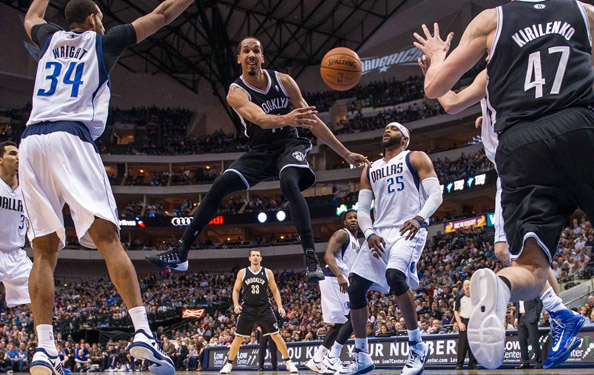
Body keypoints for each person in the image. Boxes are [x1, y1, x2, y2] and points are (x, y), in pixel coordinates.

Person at [415, 0, 594, 369]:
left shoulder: (491, 27)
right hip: (578, 125)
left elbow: (441, 92)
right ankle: (560, 314)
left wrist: (439, 57)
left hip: (518, 150)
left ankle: (502, 289)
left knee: (528, 266)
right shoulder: (586, 13)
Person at [20, 0, 197, 374]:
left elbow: (32, 17)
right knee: (109, 240)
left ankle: (45, 349)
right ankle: (143, 333)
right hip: (71, 137)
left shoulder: (50, 38)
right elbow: (163, 13)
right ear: (93, 18)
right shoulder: (103, 42)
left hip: (31, 142)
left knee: (43, 252)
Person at [146, 37, 370, 282]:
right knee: (220, 185)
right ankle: (182, 251)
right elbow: (261, 119)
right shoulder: (236, 92)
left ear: (262, 57)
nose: (251, 54)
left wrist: (345, 153)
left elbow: (312, 121)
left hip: (289, 144)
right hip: (260, 150)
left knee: (288, 181)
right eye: (246, 51)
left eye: (256, 50)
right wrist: (286, 118)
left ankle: (309, 256)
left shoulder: (284, 81)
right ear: (239, 58)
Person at [432, 64, 581, 366]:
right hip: (528, 158)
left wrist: (434, 66)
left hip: (515, 165)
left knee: (514, 255)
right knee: (514, 252)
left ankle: (560, 312)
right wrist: (487, 118)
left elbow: (448, 101)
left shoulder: (496, 69)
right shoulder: (523, 67)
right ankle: (561, 312)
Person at [343, 123, 443, 375]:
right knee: (355, 286)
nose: (386, 130)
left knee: (395, 276)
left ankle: (417, 346)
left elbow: (436, 195)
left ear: (405, 138)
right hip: (379, 233)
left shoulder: (415, 157)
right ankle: (362, 355)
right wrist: (369, 232)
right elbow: (363, 211)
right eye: (385, 128)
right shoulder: (370, 169)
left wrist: (419, 218)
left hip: (408, 229)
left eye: (393, 128)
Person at [219, 249, 297, 374]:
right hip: (247, 308)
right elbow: (235, 290)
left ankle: (288, 362)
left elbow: (275, 290)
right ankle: (228, 365)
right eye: (253, 255)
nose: (255, 257)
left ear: (261, 258)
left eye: (258, 256)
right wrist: (236, 304)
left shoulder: (267, 272)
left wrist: (280, 306)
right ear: (249, 258)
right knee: (238, 337)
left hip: (264, 307)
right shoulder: (243, 272)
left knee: (276, 335)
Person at [306, 210, 360, 374]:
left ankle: (317, 360)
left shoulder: (356, 241)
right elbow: (328, 255)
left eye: (356, 217)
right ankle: (332, 358)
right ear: (344, 222)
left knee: (339, 323)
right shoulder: (342, 234)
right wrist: (339, 276)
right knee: (351, 318)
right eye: (349, 218)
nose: (353, 220)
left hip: (341, 279)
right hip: (334, 278)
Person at [0, 142, 32, 309]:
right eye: (12, 154)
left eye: (19, 155)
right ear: (1, 159)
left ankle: (44, 335)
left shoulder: (27, 190)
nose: (18, 158)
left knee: (39, 292)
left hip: (16, 253)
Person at [454, 280, 476, 370]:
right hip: (464, 322)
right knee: (462, 344)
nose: (467, 286)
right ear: (463, 287)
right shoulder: (460, 298)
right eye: (465, 285)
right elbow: (456, 311)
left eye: (469, 285)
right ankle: (459, 364)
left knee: (474, 344)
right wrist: (459, 323)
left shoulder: (476, 298)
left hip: (474, 322)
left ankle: (473, 364)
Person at [515, 298, 543, 369]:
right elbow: (517, 305)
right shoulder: (518, 292)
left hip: (531, 317)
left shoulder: (531, 289)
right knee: (522, 340)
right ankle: (525, 362)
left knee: (534, 340)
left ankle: (539, 362)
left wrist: (536, 314)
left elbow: (540, 302)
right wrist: (516, 317)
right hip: (520, 317)